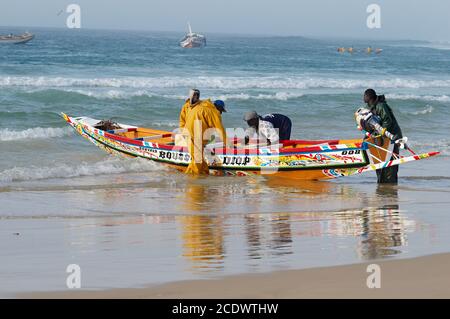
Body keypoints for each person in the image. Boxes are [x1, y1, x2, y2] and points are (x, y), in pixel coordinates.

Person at [364, 88, 403, 184]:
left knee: (391, 162)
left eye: (364, 96)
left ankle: (391, 185)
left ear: (369, 97)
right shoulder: (372, 107)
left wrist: (380, 133)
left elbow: (387, 121)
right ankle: (382, 183)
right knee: (380, 161)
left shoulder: (381, 106)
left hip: (392, 137)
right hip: (383, 138)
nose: (363, 98)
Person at [184, 99, 227, 175]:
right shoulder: (214, 112)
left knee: (202, 165)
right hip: (193, 136)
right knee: (197, 162)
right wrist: (228, 144)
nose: (220, 113)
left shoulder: (203, 106)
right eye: (221, 111)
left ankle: (202, 179)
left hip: (189, 133)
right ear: (218, 108)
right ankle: (192, 182)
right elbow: (220, 129)